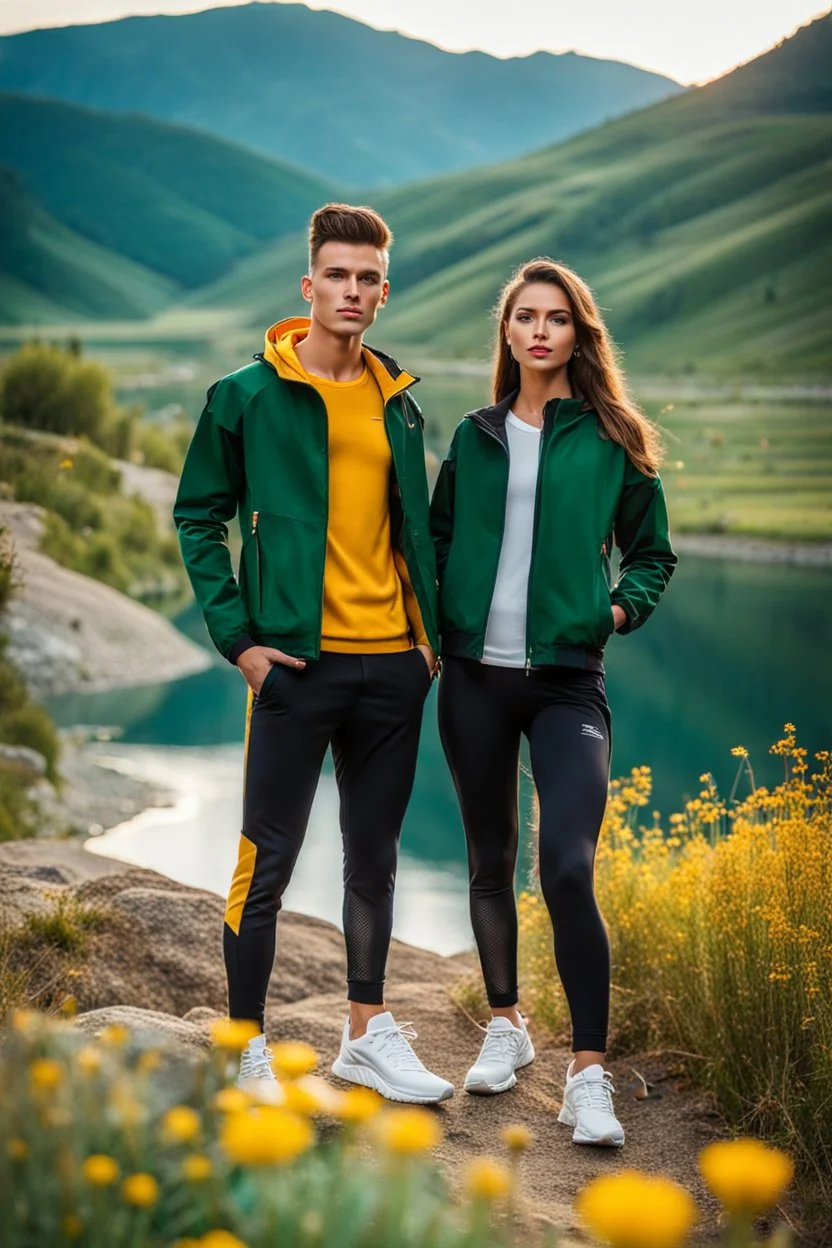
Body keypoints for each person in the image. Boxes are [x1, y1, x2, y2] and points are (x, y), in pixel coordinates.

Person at [174, 203, 452, 1104]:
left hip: (393, 669)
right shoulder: (246, 395)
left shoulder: (399, 404)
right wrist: (240, 642)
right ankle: (245, 1043)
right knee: (268, 856)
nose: (355, 292)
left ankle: (365, 1033)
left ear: (383, 289)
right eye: (339, 274)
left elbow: (416, 532)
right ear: (309, 286)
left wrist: (428, 641)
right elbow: (195, 515)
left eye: (370, 278)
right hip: (293, 666)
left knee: (374, 858)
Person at [430, 257, 677, 1144]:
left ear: (580, 333)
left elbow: (653, 553)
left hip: (570, 678)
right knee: (489, 858)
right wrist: (438, 626)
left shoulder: (612, 437)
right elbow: (439, 537)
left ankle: (588, 1074)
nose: (540, 330)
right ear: (507, 332)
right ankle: (507, 1024)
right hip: (473, 678)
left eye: (557, 318)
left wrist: (615, 609)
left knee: (567, 865)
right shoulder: (475, 433)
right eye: (525, 317)